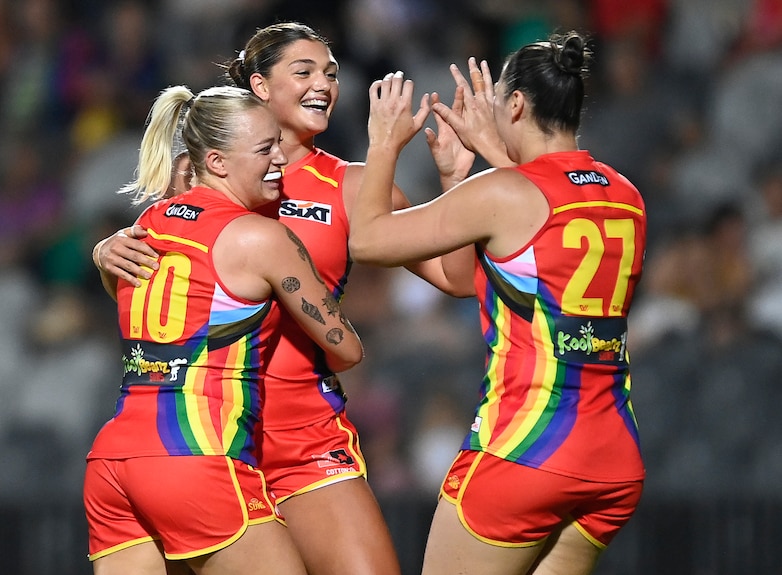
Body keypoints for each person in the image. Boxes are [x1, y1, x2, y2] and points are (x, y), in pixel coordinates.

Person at [92, 22, 493, 575]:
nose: (323, 84)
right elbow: (158, 284)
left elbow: (457, 277)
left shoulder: (354, 185)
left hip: (301, 439)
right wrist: (107, 253)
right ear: (259, 86)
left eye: (329, 73)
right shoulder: (202, 177)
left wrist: (454, 181)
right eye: (302, 72)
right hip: (203, 432)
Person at [349, 31, 647, 575]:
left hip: (528, 450)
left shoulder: (502, 196)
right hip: (612, 459)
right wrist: (462, 174)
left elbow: (366, 240)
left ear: (514, 104)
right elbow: (471, 277)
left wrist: (384, 145)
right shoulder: (626, 194)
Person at [83, 84, 363, 575]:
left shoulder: (146, 224)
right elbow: (345, 347)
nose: (280, 158)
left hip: (114, 460)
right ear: (215, 161)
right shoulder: (261, 236)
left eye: (277, 142)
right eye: (265, 149)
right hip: (195, 453)